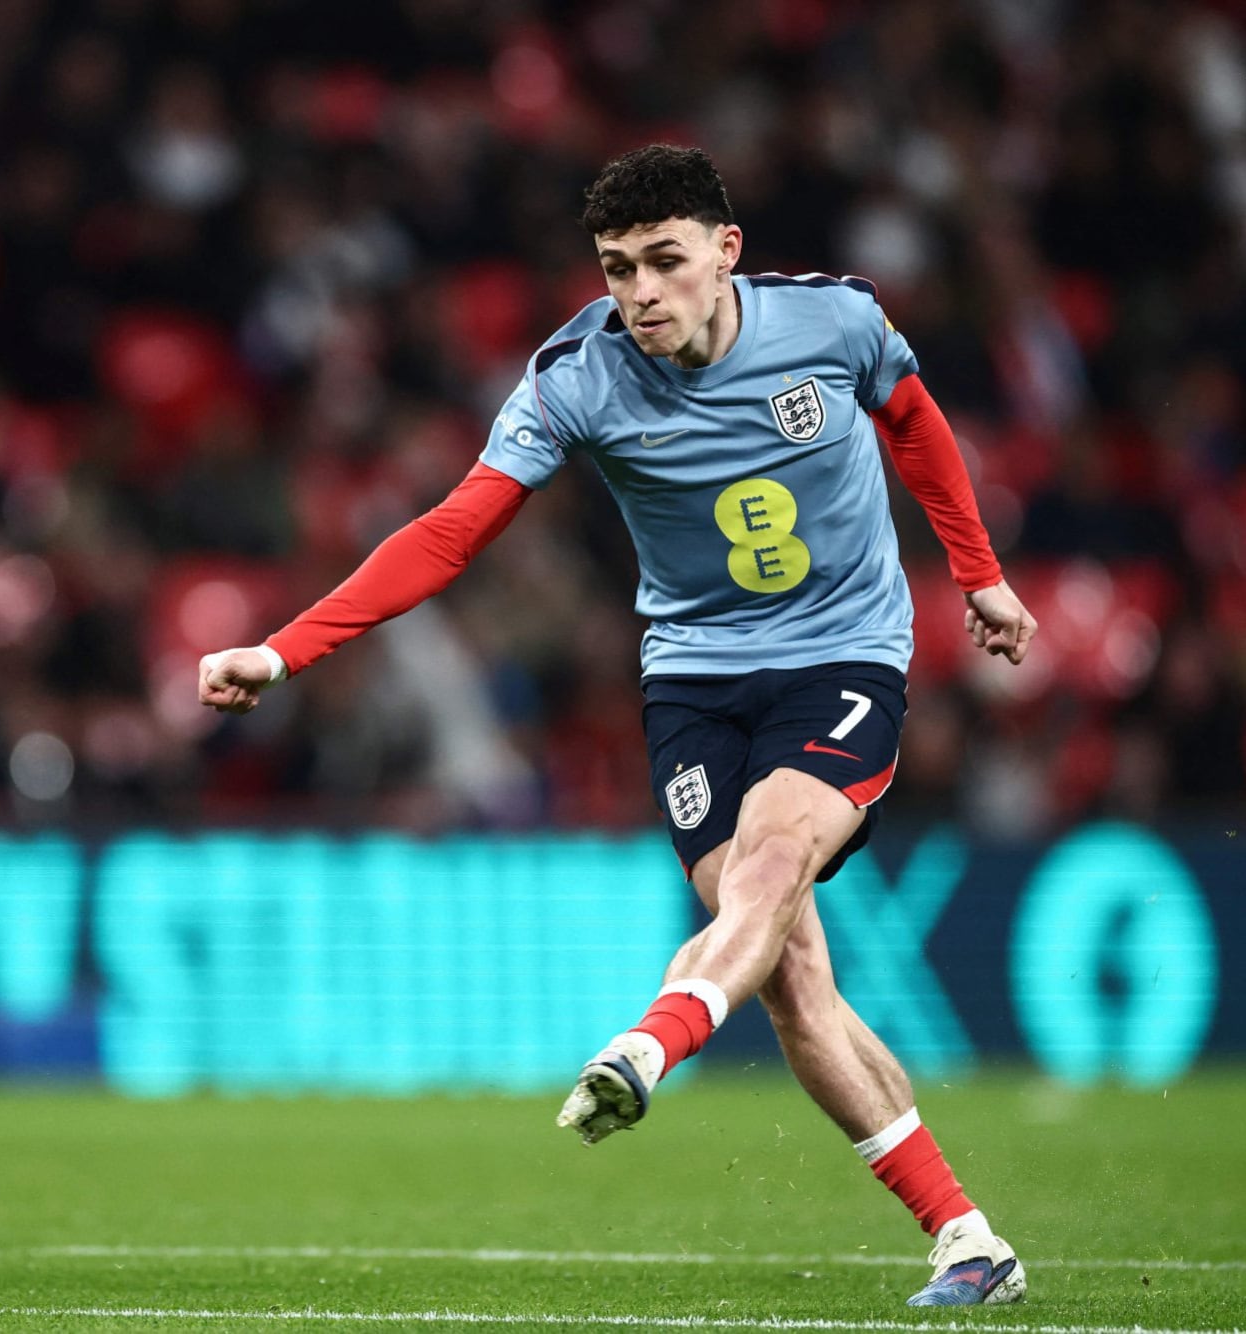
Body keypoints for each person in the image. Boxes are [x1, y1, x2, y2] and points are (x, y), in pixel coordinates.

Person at [198, 145, 1038, 1310]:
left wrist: (978, 574)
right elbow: (448, 532)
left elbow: (913, 419)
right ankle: (967, 1238)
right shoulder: (573, 379)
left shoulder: (833, 324)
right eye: (613, 269)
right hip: (691, 682)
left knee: (773, 861)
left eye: (662, 262)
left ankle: (651, 1042)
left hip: (840, 655)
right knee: (791, 977)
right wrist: (282, 648)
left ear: (723, 252)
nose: (638, 292)